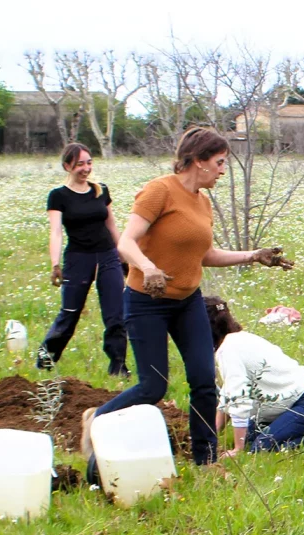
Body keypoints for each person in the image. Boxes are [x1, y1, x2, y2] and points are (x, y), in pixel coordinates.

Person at [80, 128, 292, 466]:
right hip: (146, 302)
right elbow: (126, 243)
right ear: (198, 161)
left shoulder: (203, 202)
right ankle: (98, 420)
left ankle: (206, 460)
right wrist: (147, 268)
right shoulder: (159, 191)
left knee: (204, 382)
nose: (224, 169)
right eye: (220, 162)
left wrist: (252, 255)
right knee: (153, 387)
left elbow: (204, 254)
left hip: (188, 301)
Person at [205, 297, 304, 454]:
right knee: (249, 437)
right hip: (301, 401)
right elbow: (229, 393)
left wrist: (238, 449)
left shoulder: (228, 350)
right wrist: (211, 434)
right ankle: (299, 430)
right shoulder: (237, 340)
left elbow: (239, 398)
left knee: (261, 447)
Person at [38, 143, 128, 376]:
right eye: (80, 164)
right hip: (78, 258)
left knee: (116, 314)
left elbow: (112, 226)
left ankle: (118, 366)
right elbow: (56, 232)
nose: (86, 168)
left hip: (108, 256)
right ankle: (45, 360)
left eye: (89, 162)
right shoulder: (58, 196)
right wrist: (55, 264)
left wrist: (125, 255)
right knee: (70, 312)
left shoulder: (100, 190)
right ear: (67, 166)